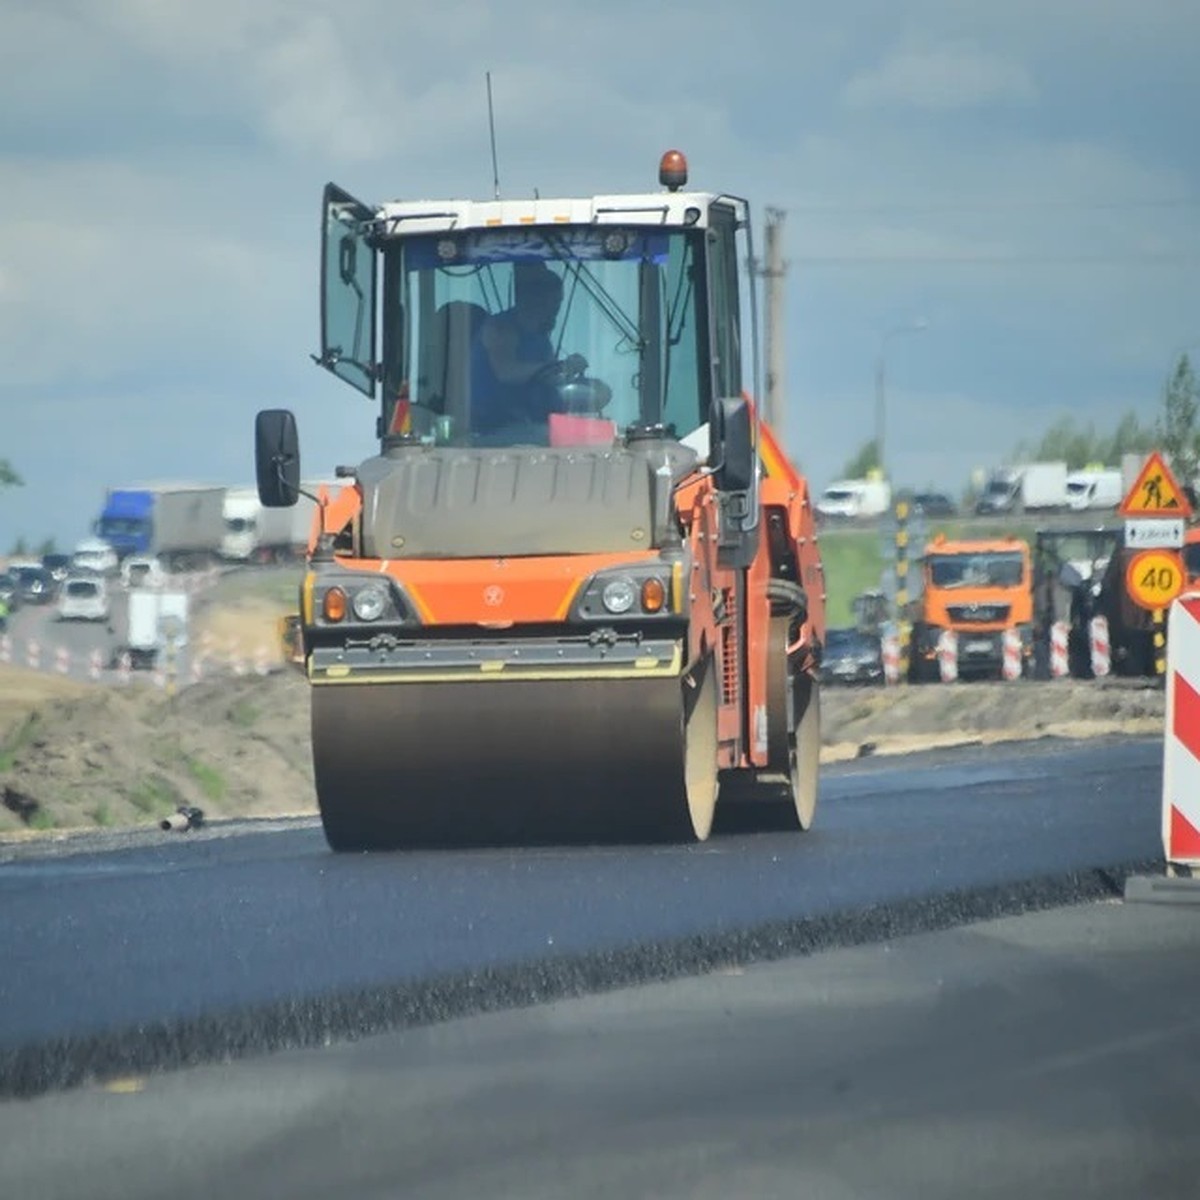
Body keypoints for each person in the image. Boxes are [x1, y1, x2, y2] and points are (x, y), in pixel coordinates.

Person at [469, 261, 587, 433]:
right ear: (531, 299)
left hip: (532, 426)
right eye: (551, 303)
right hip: (491, 430)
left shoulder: (540, 338)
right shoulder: (500, 328)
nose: (555, 310)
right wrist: (559, 366)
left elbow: (546, 381)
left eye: (558, 303)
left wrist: (572, 377)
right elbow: (506, 372)